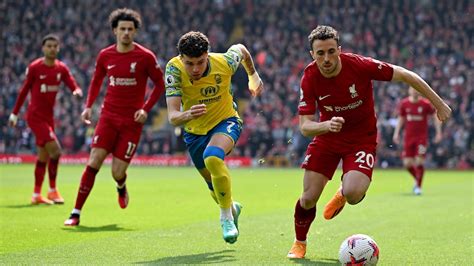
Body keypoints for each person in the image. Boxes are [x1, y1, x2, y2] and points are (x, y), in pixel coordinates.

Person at [287, 25, 451, 259]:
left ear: (339, 50)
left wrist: (439, 104)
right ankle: (299, 243)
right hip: (327, 139)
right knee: (308, 198)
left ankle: (344, 191)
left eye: (331, 51)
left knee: (354, 194)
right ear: (312, 55)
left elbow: (405, 74)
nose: (326, 58)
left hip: (361, 141)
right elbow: (305, 126)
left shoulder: (359, 65)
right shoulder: (310, 77)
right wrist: (326, 125)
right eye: (320, 53)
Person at [64, 8, 165, 226]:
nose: (126, 33)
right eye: (122, 29)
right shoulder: (105, 55)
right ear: (114, 31)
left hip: (132, 123)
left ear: (135, 31)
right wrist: (88, 106)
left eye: (130, 29)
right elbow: (96, 81)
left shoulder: (145, 56)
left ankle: (121, 186)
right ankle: (75, 212)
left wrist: (146, 108)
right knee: (93, 161)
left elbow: (160, 83)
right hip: (108, 117)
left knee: (117, 172)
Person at [165, 31, 263, 243]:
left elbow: (242, 50)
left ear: (208, 55)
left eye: (200, 62)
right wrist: (187, 114)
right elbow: (173, 117)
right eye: (189, 63)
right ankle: (232, 208)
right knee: (213, 186)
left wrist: (253, 77)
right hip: (194, 132)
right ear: (181, 58)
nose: (196, 69)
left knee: (212, 157)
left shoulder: (225, 62)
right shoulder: (173, 69)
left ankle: (225, 217)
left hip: (226, 121)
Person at [8, 34, 83, 205]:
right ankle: (52, 191)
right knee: (56, 151)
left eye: (55, 46)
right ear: (43, 48)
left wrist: (76, 90)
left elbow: (71, 82)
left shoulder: (61, 68)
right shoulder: (35, 67)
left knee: (43, 157)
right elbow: (24, 90)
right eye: (49, 46)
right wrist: (14, 113)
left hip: (49, 118)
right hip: (35, 117)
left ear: (58, 48)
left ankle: (36, 195)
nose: (52, 49)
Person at [392, 87, 442, 195]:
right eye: (412, 89)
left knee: (419, 161)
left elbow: (435, 116)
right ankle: (417, 179)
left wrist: (438, 132)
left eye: (416, 89)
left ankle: (418, 187)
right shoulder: (404, 103)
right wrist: (396, 133)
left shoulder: (425, 104)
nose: (415, 91)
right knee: (407, 164)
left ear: (419, 91)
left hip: (421, 138)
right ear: (409, 90)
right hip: (408, 138)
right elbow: (401, 118)